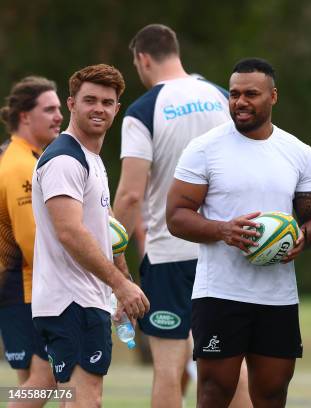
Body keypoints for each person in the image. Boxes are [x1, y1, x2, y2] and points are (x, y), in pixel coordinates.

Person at [166, 58, 311, 408]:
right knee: (215, 392)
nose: (240, 101)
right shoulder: (204, 149)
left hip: (277, 297)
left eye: (251, 94)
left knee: (272, 394)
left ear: (273, 96)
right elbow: (176, 216)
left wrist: (303, 237)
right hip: (220, 294)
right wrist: (223, 230)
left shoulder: (299, 153)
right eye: (235, 94)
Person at [112, 24, 250, 408]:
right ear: (175, 51)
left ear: (142, 59)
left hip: (170, 256)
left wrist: (113, 252)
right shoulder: (223, 98)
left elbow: (130, 194)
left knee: (169, 370)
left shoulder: (143, 111)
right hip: (223, 250)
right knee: (231, 367)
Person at [31, 64, 149, 407]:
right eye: (90, 100)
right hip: (71, 301)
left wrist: (121, 278)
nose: (99, 108)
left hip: (83, 299)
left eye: (107, 102)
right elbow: (69, 232)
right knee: (86, 400)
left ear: (116, 108)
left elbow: (104, 228)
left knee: (75, 398)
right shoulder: (66, 159)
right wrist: (120, 284)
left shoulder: (90, 158)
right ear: (71, 104)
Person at [0, 76, 61, 406]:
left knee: (30, 380)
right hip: (23, 285)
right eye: (49, 109)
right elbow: (32, 240)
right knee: (46, 379)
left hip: (17, 287)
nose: (59, 116)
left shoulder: (20, 157)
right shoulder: (22, 165)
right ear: (25, 116)